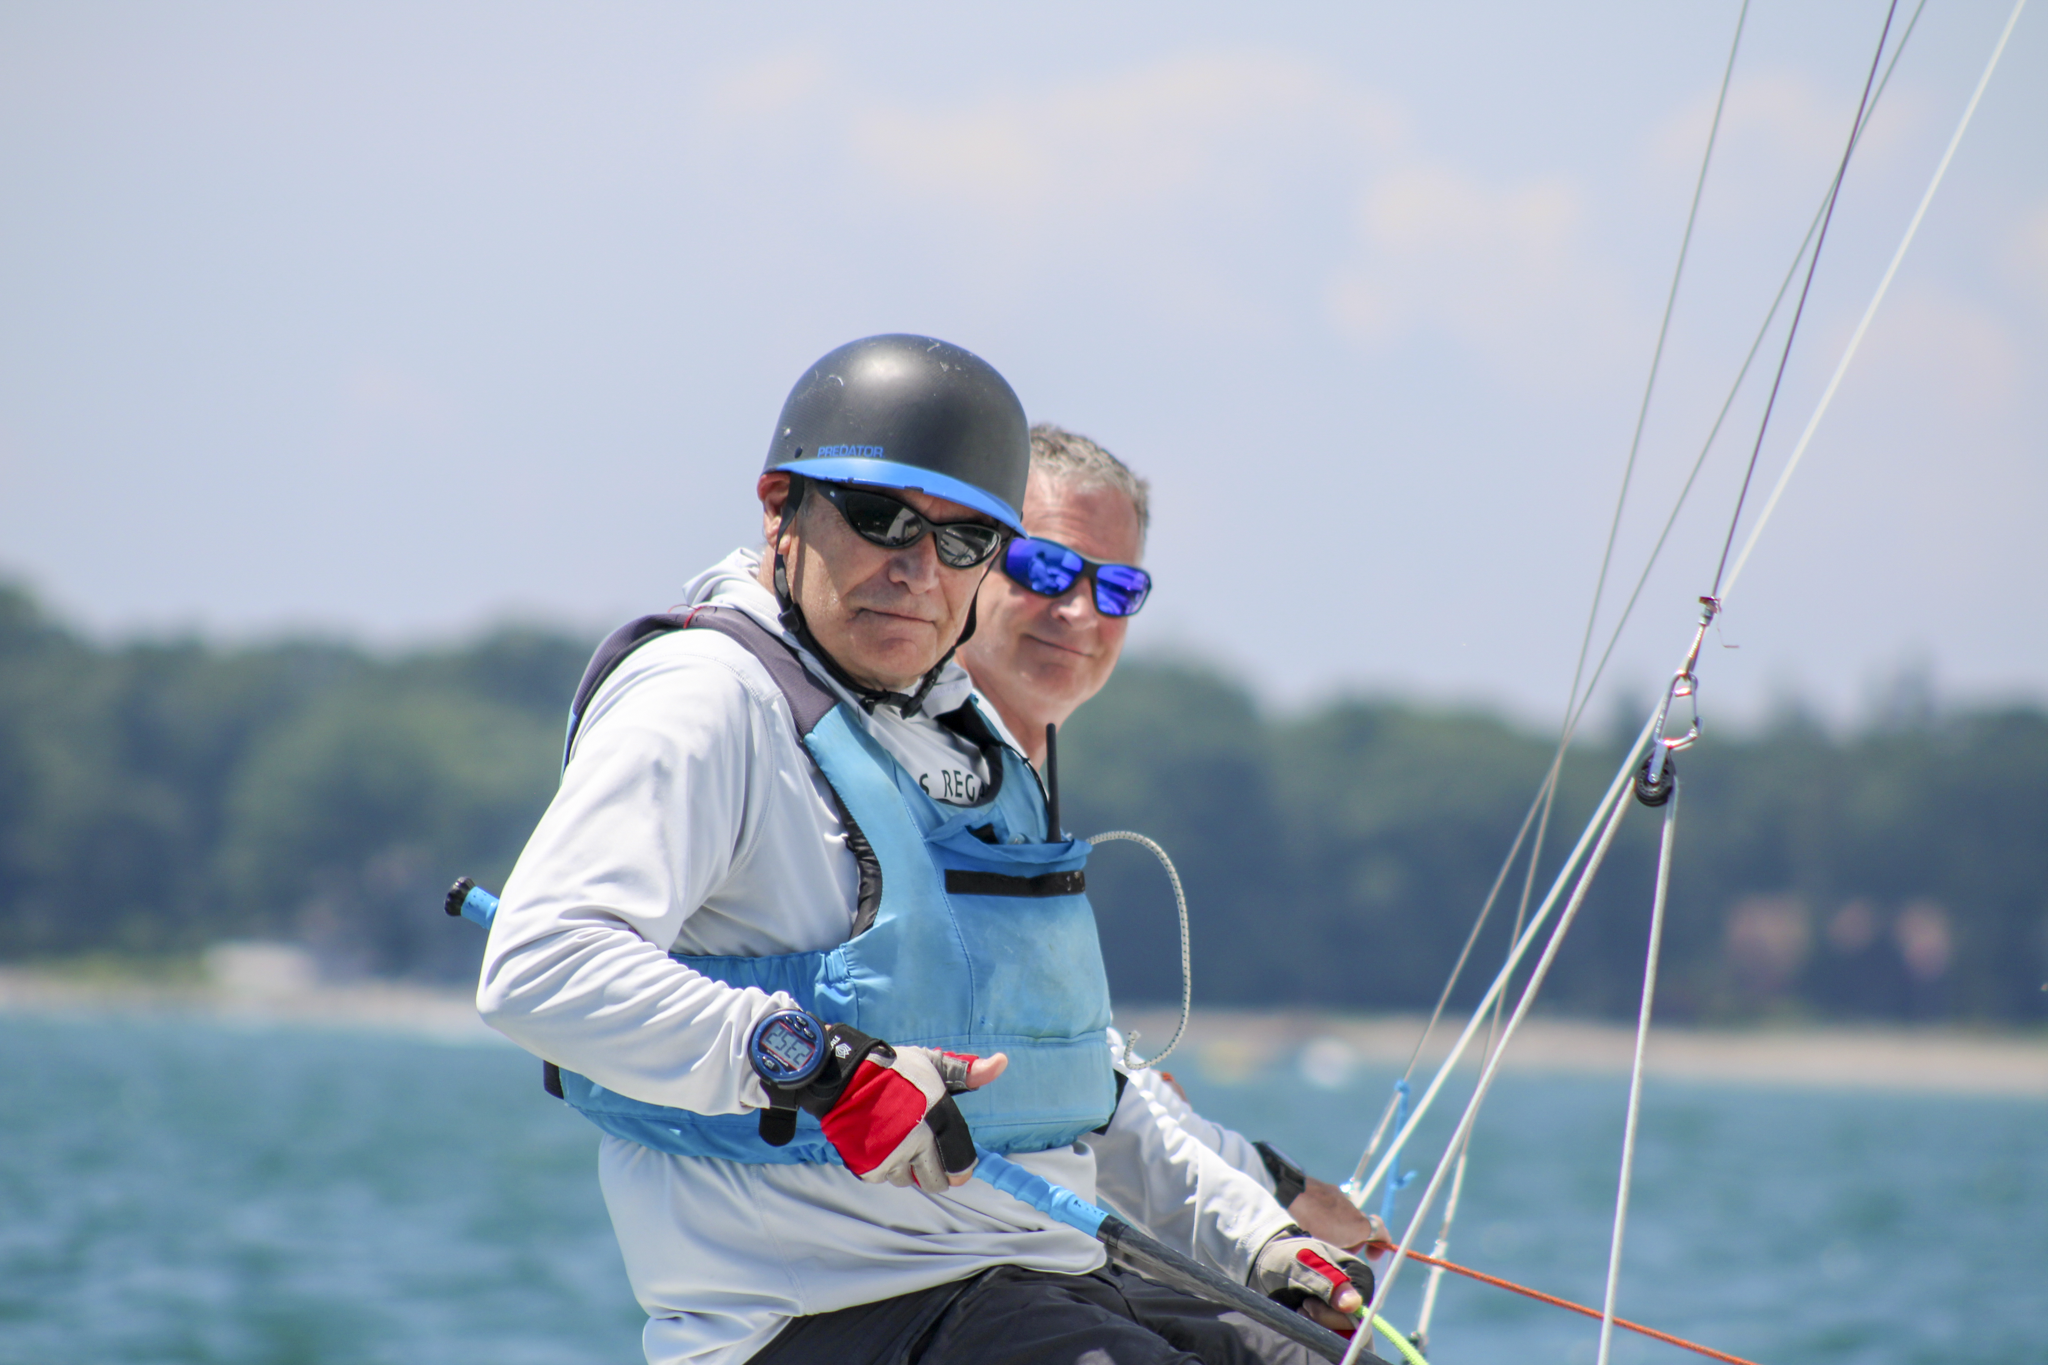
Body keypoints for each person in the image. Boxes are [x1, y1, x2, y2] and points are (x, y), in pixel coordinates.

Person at [477, 335, 1371, 1365]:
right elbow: (539, 966)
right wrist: (819, 1066)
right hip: (827, 1313)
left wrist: (1257, 1237)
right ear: (779, 506)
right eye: (881, 520)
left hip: (1031, 1278)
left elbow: (1071, 1077)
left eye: (963, 540)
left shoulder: (964, 736)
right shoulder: (706, 699)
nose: (915, 571)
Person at [960, 424, 1386, 1256]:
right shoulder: (914, 762)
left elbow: (1076, 1064)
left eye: (1117, 588)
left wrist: (1272, 1185)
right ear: (967, 555)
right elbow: (1061, 1083)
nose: (1080, 611)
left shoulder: (1018, 777)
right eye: (1045, 568)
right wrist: (1267, 1209)